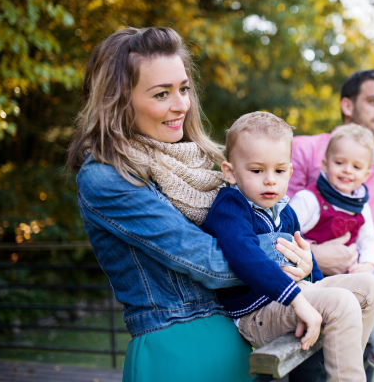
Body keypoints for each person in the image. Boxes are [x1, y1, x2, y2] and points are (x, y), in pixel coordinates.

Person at [67, 27, 314, 382]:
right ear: (120, 100)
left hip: (238, 338)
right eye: (161, 93)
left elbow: (246, 231)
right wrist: (287, 251)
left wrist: (303, 257)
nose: (181, 104)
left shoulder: (194, 164)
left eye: (183, 89)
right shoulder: (108, 176)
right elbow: (209, 262)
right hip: (180, 349)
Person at [202, 111, 374, 382]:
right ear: (230, 171)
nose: (270, 180)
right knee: (342, 302)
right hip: (257, 311)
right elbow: (247, 258)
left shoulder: (285, 210)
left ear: (290, 170)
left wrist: (312, 271)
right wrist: (297, 298)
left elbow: (305, 256)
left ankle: (340, 369)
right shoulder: (232, 208)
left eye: (279, 171)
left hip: (295, 296)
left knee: (370, 288)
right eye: (256, 170)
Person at [287, 69, 374, 371]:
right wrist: (315, 255)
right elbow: (276, 219)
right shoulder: (303, 149)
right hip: (315, 295)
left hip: (366, 286)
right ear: (348, 106)